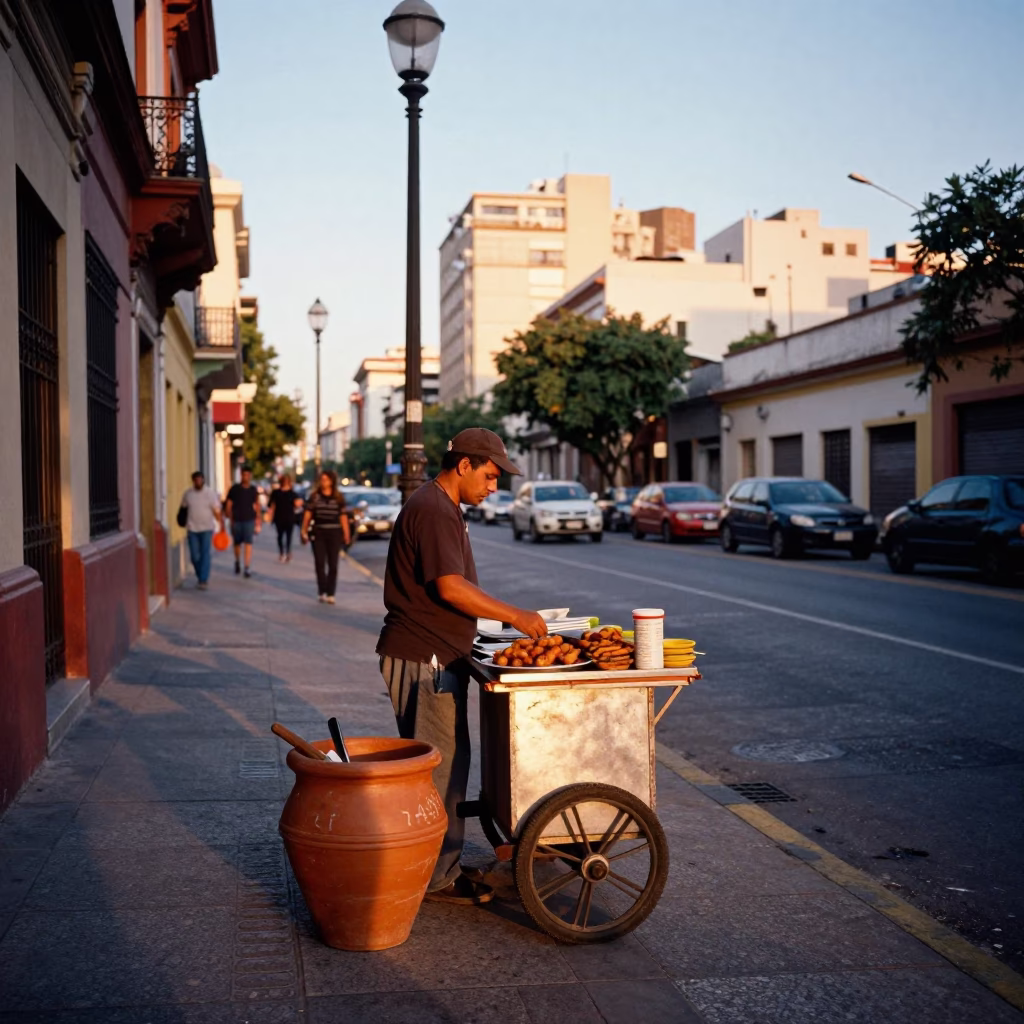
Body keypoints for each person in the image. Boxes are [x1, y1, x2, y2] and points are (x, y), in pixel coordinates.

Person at [376, 428, 547, 906]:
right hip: (423, 656)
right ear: (464, 465)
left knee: (451, 764)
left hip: (438, 651)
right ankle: (435, 876)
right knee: (441, 770)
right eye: (491, 476)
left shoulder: (444, 507)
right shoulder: (432, 509)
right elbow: (449, 587)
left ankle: (443, 866)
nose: (494, 488)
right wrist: (515, 615)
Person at [301, 470, 351, 603]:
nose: (324, 482)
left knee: (333, 564)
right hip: (319, 533)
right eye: (322, 479)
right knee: (319, 563)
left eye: (326, 479)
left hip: (334, 533)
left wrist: (346, 533)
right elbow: (308, 514)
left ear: (332, 481)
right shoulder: (314, 497)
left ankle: (331, 593)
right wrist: (303, 530)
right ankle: (322, 590)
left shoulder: (338, 498)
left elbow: (343, 516)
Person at [179, 471, 224, 590]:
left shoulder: (210, 493)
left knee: (205, 554)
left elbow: (216, 510)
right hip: (192, 528)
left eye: (200, 479)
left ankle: (203, 579)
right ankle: (200, 574)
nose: (198, 481)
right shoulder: (188, 494)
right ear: (193, 481)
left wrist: (221, 524)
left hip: (207, 529)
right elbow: (183, 509)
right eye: (196, 479)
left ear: (203, 480)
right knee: (194, 555)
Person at [225, 466, 261, 578]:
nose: (246, 477)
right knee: (237, 543)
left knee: (248, 543)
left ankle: (247, 567)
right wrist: (229, 517)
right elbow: (229, 504)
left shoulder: (253, 490)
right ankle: (237, 561)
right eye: (244, 475)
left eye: (248, 475)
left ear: (250, 476)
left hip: (249, 519)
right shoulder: (234, 489)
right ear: (241, 475)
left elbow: (256, 504)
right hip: (236, 520)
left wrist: (258, 519)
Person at [267, 474, 299, 562]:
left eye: (287, 480)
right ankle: (281, 553)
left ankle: (288, 552)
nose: (285, 482)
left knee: (289, 537)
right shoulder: (276, 492)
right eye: (284, 480)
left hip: (290, 517)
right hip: (279, 517)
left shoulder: (293, 493)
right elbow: (271, 505)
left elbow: (296, 505)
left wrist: (298, 504)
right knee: (280, 536)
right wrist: (270, 516)